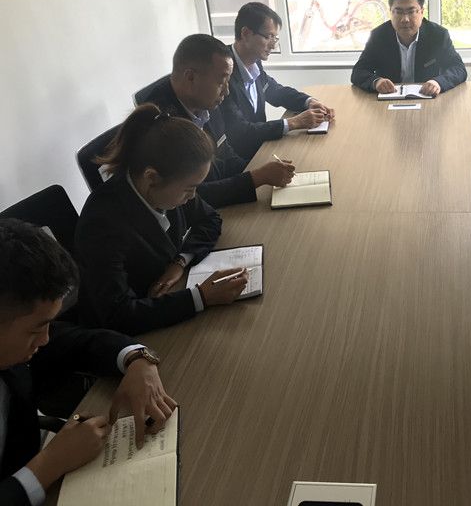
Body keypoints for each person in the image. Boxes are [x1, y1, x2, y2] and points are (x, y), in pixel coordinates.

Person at [0, 218, 176, 506]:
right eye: (35, 330)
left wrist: (137, 358)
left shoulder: (15, 337)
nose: (45, 339)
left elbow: (78, 341)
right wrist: (49, 465)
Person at [75, 103, 250, 335]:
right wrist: (201, 297)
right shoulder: (101, 224)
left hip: (165, 301)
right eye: (189, 189)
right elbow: (117, 315)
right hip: (132, 334)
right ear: (152, 178)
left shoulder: (166, 186)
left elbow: (210, 219)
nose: (193, 196)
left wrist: (179, 262)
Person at [136, 33, 295, 207]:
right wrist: (257, 177)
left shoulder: (205, 102)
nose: (226, 91)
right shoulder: (164, 127)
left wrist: (259, 168)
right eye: (221, 82)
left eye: (228, 81)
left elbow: (225, 155)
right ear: (190, 77)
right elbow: (191, 197)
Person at [220, 2, 335, 161]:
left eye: (275, 38)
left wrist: (309, 102)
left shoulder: (253, 61)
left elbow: (275, 91)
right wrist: (294, 123)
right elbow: (241, 132)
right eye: (268, 37)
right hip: (239, 161)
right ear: (246, 33)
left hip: (261, 149)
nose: (273, 46)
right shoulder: (222, 73)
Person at [351, 0, 467, 96]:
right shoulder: (378, 36)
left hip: (426, 98)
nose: (405, 19)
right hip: (388, 100)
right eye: (399, 12)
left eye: (411, 12)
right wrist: (376, 82)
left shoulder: (438, 35)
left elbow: (458, 68)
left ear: (422, 12)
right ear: (391, 12)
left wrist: (438, 82)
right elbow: (358, 72)